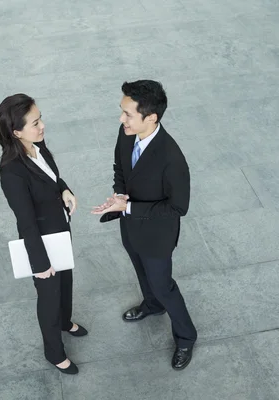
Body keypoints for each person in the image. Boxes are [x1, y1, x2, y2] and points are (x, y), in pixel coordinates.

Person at [92, 80, 197, 370]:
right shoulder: (127, 133)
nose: (121, 119)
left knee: (164, 286)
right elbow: (120, 168)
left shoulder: (172, 159)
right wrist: (120, 195)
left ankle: (186, 336)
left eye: (128, 114)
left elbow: (178, 207)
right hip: (130, 227)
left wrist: (128, 207)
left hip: (157, 237)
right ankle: (152, 306)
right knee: (141, 272)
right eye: (121, 111)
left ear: (151, 117)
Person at [0, 93, 87, 375]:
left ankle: (65, 321)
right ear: (16, 132)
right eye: (35, 123)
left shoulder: (38, 146)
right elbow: (25, 222)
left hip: (59, 231)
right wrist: (40, 264)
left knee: (67, 282)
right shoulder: (11, 172)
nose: (42, 126)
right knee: (48, 297)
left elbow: (52, 177)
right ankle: (54, 352)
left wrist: (64, 189)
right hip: (42, 245)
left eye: (40, 118)